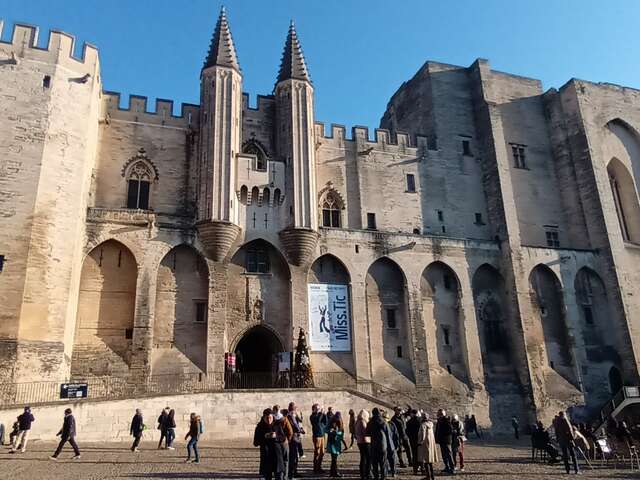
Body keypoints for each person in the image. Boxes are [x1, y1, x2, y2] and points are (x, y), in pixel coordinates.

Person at [254, 408, 287, 480]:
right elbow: (255, 443)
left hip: (277, 455)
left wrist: (276, 436)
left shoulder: (277, 425)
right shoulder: (259, 427)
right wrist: (264, 437)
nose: (269, 420)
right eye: (267, 418)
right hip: (266, 455)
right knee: (267, 476)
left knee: (279, 476)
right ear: (263, 418)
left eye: (270, 418)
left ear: (273, 417)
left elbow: (283, 438)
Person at [366, 408, 391, 480]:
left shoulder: (370, 422)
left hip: (374, 445)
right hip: (383, 445)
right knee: (383, 462)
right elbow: (388, 433)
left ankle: (376, 477)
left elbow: (367, 433)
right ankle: (383, 477)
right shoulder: (384, 421)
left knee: (375, 463)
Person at [327, 412, 348, 478]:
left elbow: (341, 434)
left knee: (334, 459)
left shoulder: (340, 423)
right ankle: (334, 472)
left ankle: (332, 472)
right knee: (334, 459)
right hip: (332, 443)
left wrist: (337, 433)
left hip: (337, 443)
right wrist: (331, 431)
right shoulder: (332, 422)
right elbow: (326, 429)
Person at [417, 414, 438, 480]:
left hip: (425, 444)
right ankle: (432, 476)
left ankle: (428, 476)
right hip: (431, 443)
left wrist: (420, 442)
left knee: (426, 460)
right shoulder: (431, 424)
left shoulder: (423, 425)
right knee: (430, 461)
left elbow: (422, 435)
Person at [274, 408, 292, 480]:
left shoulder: (273, 419)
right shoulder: (284, 419)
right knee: (286, 460)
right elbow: (290, 431)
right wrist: (288, 439)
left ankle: (279, 476)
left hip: (276, 442)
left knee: (278, 460)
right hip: (284, 442)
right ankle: (285, 476)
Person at [288, 404, 305, 480]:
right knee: (293, 456)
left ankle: (295, 472)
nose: (295, 410)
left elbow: (299, 421)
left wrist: (300, 416)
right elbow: (294, 426)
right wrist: (300, 430)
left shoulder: (294, 415)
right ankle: (292, 473)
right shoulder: (290, 416)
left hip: (296, 438)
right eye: (295, 409)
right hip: (293, 439)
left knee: (295, 456)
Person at [435, 409, 454, 474]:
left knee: (448, 454)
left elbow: (450, 430)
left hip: (446, 440)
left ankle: (452, 468)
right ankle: (447, 467)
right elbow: (437, 430)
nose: (438, 415)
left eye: (439, 414)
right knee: (444, 455)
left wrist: (443, 435)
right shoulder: (439, 421)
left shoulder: (446, 420)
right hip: (441, 440)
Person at [310, 403, 329, 473]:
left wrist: (324, 414)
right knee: (317, 452)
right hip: (317, 436)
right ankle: (315, 468)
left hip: (322, 435)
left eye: (318, 409)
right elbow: (317, 421)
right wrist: (321, 413)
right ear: (314, 409)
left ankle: (319, 466)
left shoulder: (319, 415)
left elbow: (326, 422)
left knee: (322, 452)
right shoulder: (312, 416)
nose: (318, 410)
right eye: (317, 409)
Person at [355, 409, 372, 480]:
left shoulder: (357, 422)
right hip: (365, 442)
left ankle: (363, 474)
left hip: (360, 442)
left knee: (363, 458)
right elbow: (366, 432)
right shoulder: (362, 422)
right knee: (367, 459)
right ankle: (367, 474)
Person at [405, 409, 422, 474]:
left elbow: (407, 431)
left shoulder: (409, 422)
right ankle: (422, 467)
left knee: (414, 455)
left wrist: (410, 437)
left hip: (412, 440)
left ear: (412, 413)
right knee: (420, 454)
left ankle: (415, 469)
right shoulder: (420, 421)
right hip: (419, 440)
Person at [384, 411, 398, 477]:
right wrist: (396, 445)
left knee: (385, 460)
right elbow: (396, 435)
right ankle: (393, 473)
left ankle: (386, 473)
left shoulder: (381, 424)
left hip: (385, 445)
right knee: (392, 460)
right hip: (391, 445)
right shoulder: (392, 424)